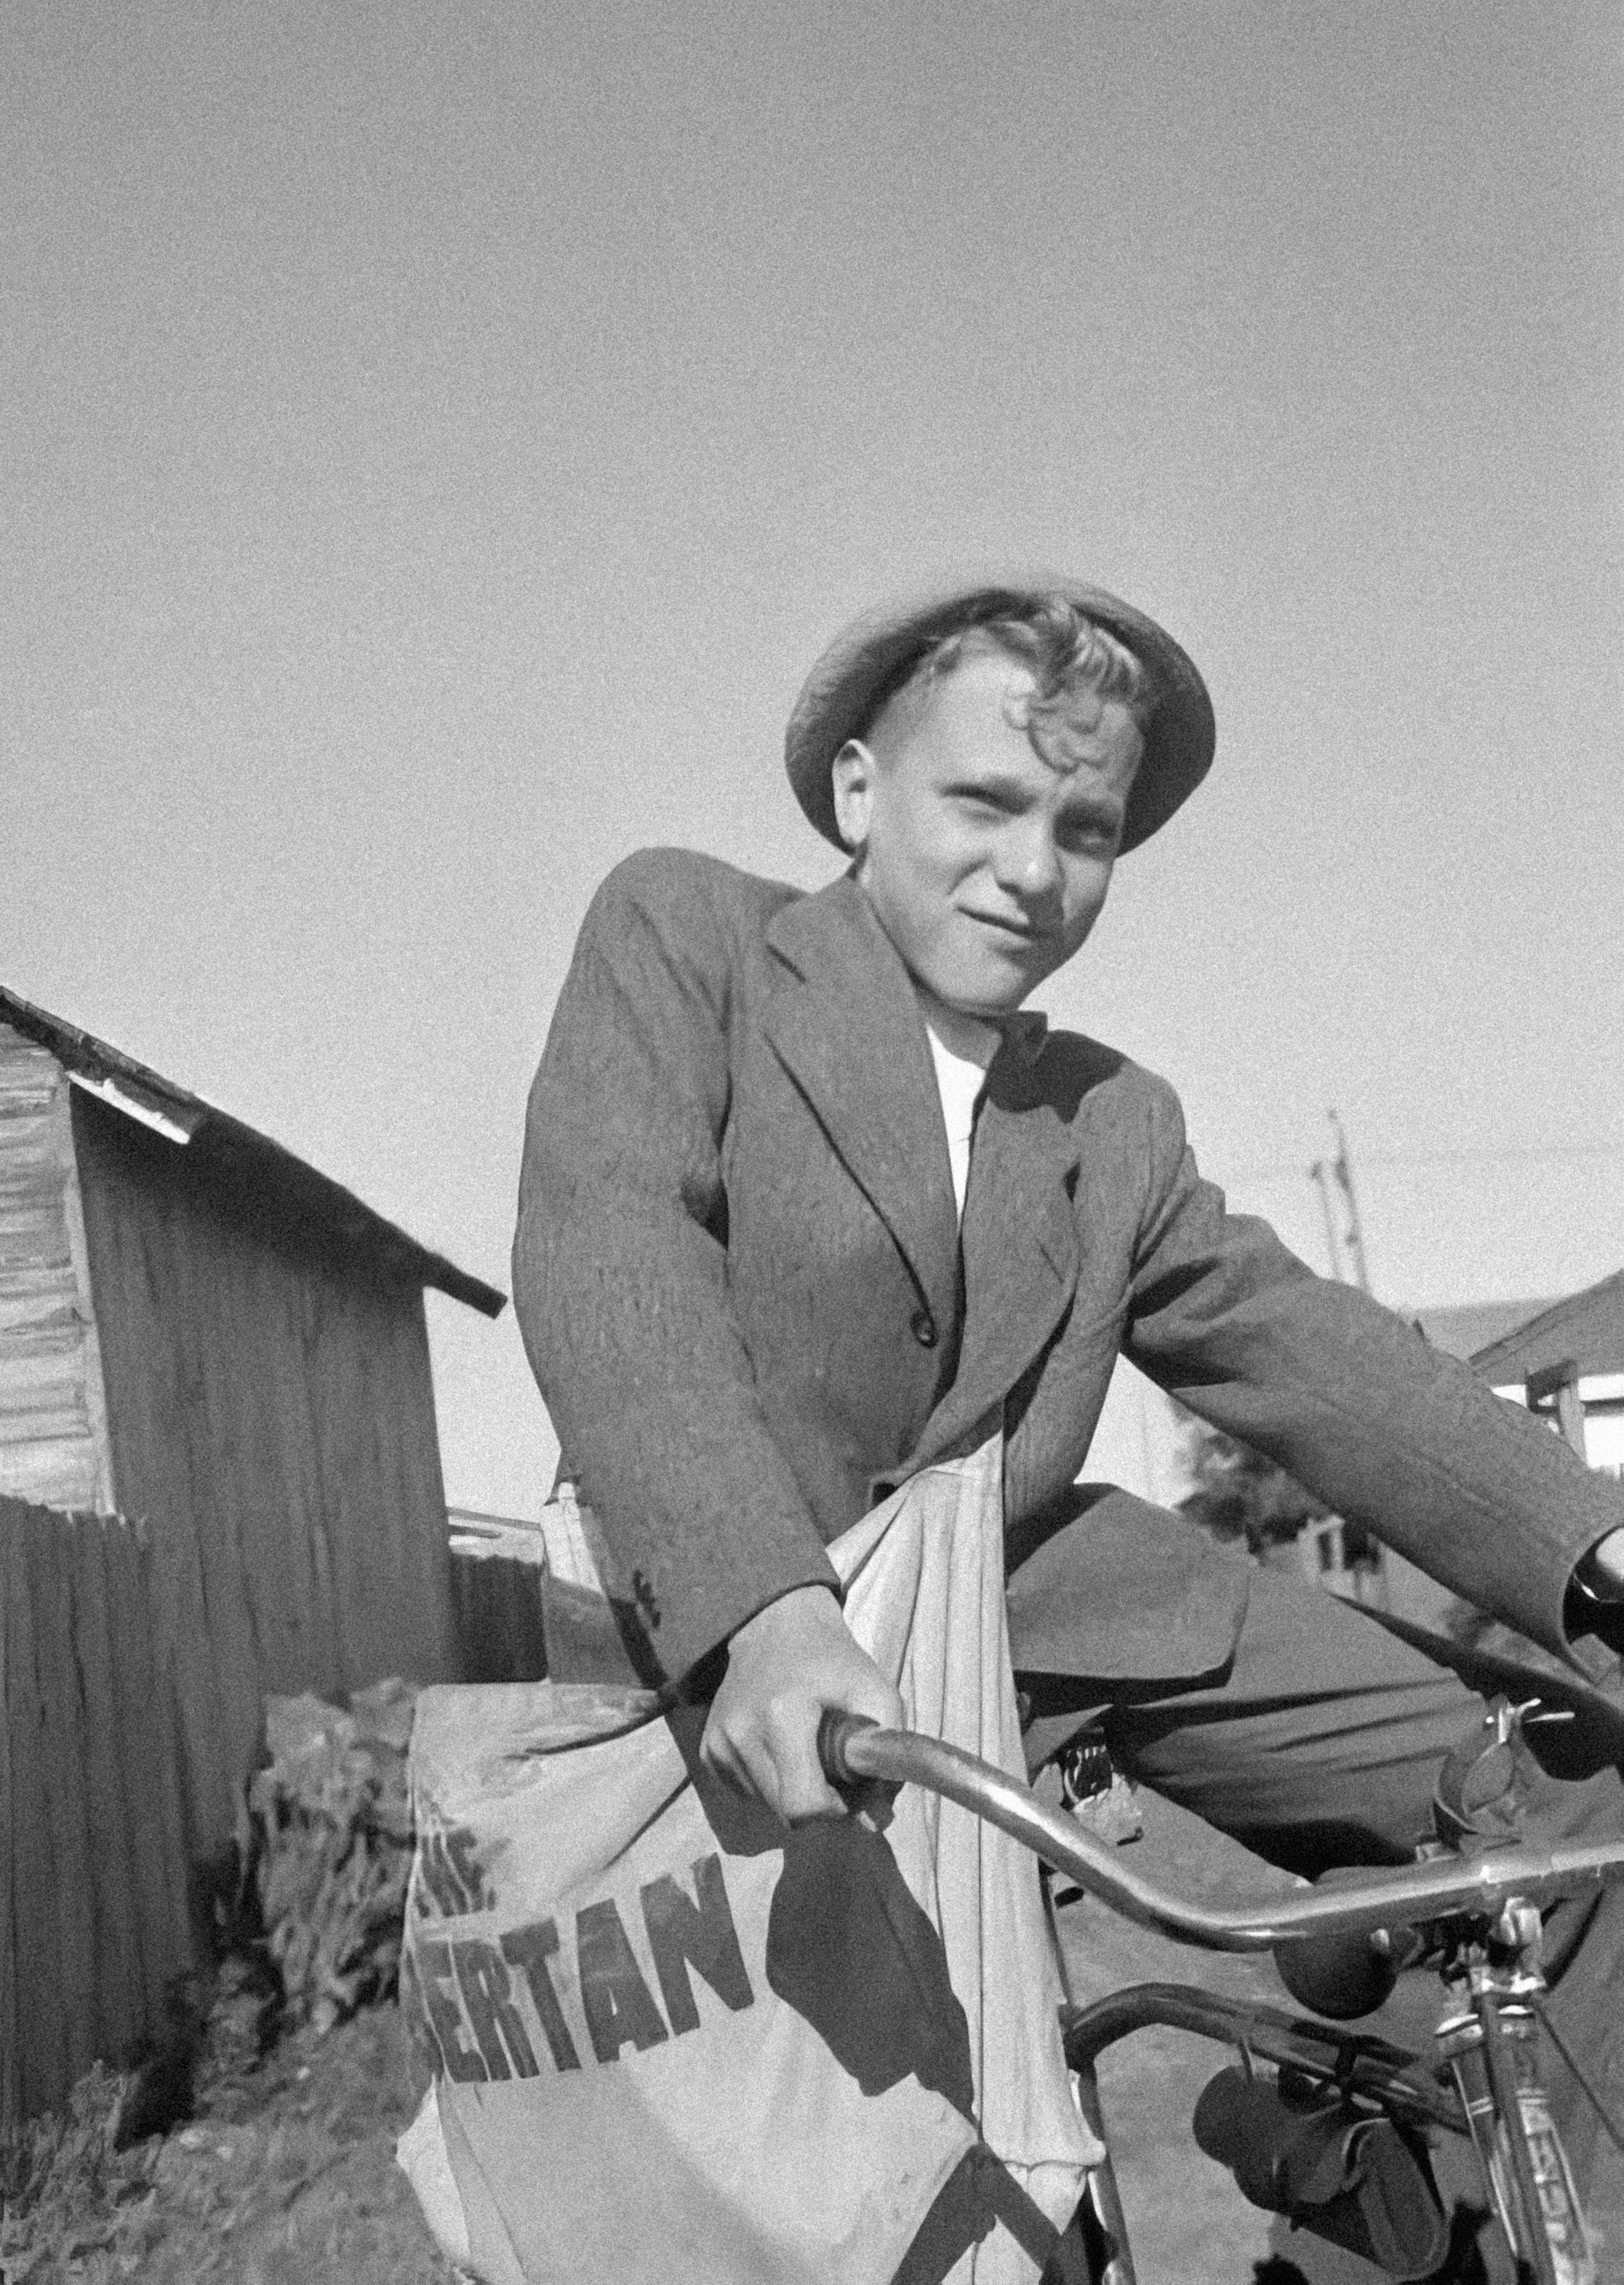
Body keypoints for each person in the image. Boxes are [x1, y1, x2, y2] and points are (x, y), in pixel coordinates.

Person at [512, 581, 1624, 2223]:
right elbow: (609, 1256)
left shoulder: (1106, 1119)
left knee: (1570, 1790)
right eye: (984, 801)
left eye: (1084, 828)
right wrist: (761, 1606)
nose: (1032, 871)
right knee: (874, 2187)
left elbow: (1299, 1345)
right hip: (750, 1646)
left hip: (1042, 1601)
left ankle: (1422, 2181)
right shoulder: (691, 941)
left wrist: (1592, 1549)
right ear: (854, 795)